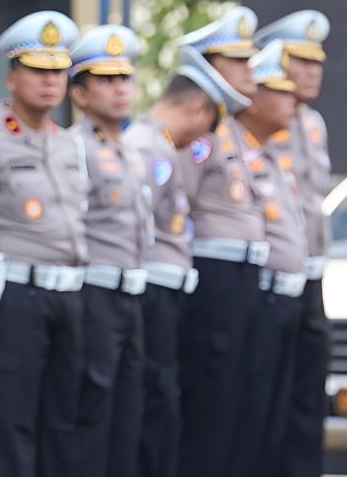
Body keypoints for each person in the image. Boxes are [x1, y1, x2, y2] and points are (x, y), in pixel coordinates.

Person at [0, 10, 87, 477]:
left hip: (67, 294)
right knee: (15, 421)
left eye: (57, 70)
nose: (50, 81)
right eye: (37, 70)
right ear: (11, 77)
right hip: (14, 299)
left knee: (62, 420)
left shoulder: (69, 144)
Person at [173, 7, 264, 477]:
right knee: (212, 397)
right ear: (209, 67)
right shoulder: (199, 135)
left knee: (238, 398)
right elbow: (177, 207)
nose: (252, 70)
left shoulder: (231, 129)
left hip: (244, 276)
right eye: (239, 62)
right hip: (213, 279)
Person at [122, 54, 221, 477]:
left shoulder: (158, 145)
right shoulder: (146, 147)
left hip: (166, 289)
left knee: (164, 400)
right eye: (206, 126)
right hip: (152, 291)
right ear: (197, 110)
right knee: (153, 401)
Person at [67, 24, 148, 477]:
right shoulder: (74, 149)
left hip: (131, 293)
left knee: (128, 409)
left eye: (125, 79)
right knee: (93, 408)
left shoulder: (130, 151)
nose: (120, 89)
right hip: (93, 292)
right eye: (106, 80)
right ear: (79, 94)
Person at [256, 10, 333, 477]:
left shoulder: (314, 123)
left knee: (310, 389)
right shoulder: (261, 119)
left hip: (312, 273)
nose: (312, 72)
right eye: (300, 62)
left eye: (317, 62)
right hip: (271, 277)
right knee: (270, 390)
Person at [228, 39, 306, 477]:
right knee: (250, 416)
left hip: (286, 299)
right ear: (254, 98)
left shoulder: (272, 154)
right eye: (280, 90)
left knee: (276, 415)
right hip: (258, 298)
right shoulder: (230, 147)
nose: (292, 99)